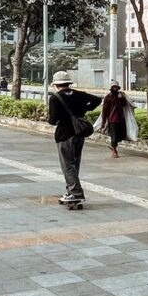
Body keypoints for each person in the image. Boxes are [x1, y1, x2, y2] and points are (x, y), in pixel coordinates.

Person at [47, 72, 101, 205]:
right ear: (68, 83)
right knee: (75, 163)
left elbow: (53, 120)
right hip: (79, 133)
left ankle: (76, 193)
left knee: (67, 165)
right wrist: (84, 110)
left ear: (56, 84)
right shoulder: (80, 94)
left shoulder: (55, 98)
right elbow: (98, 100)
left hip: (64, 134)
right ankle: (70, 191)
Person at [99, 81, 132, 158]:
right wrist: (103, 122)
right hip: (112, 120)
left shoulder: (120, 96)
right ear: (111, 88)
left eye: (116, 87)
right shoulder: (108, 97)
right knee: (114, 136)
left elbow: (124, 105)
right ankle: (114, 151)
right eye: (114, 87)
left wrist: (123, 97)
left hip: (121, 119)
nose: (115, 88)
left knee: (120, 135)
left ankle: (113, 147)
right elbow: (105, 110)